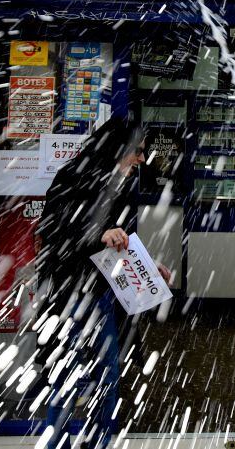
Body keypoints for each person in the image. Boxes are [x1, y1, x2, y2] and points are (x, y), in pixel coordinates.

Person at [35, 114, 171, 449]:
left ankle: (99, 443)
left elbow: (123, 241)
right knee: (66, 378)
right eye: (136, 150)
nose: (141, 158)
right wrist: (98, 235)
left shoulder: (122, 187)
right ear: (116, 147)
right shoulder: (73, 176)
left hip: (105, 296)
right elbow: (54, 231)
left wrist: (150, 267)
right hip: (72, 297)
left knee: (108, 378)